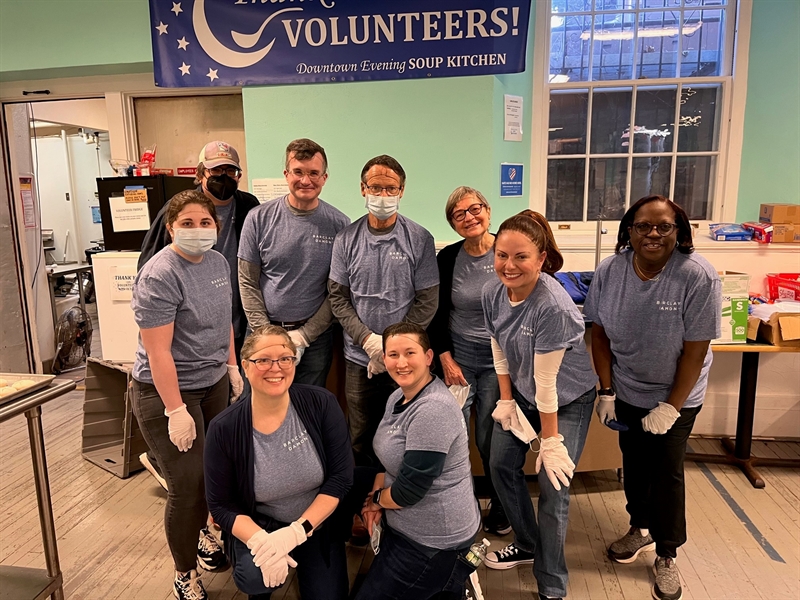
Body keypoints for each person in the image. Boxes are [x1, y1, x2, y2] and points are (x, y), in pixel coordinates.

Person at [583, 195, 721, 600]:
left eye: (664, 226)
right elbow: (600, 335)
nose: (654, 234)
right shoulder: (611, 270)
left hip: (678, 393)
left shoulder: (697, 276)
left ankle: (666, 553)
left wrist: (671, 407)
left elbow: (696, 350)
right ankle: (638, 527)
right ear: (629, 230)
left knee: (666, 470)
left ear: (679, 232)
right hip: (627, 387)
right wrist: (606, 390)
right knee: (634, 461)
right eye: (644, 226)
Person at [130, 190, 244, 600]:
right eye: (188, 224)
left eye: (205, 222)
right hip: (166, 391)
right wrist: (175, 408)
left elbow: (224, 322)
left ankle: (203, 533)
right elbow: (158, 351)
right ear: (170, 228)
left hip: (212, 383)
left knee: (213, 474)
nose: (198, 231)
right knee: (187, 484)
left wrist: (232, 366)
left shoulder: (217, 263)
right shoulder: (160, 273)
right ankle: (184, 573)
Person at [205, 325, 373, 600]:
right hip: (262, 524)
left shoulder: (321, 403)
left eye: (285, 358)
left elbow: (341, 477)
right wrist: (262, 541)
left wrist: (298, 531)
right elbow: (221, 505)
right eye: (264, 360)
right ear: (246, 366)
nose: (276, 368)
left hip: (314, 523)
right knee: (255, 579)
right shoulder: (224, 428)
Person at [482, 210, 598, 600]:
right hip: (525, 392)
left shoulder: (554, 306)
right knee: (499, 462)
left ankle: (551, 582)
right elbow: (498, 346)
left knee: (553, 484)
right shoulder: (492, 292)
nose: (509, 265)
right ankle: (529, 543)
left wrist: (550, 443)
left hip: (566, 397)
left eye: (521, 257)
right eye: (502, 255)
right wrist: (507, 398)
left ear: (542, 259)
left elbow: (548, 382)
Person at [137, 141, 257, 491]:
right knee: (189, 468)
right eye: (215, 171)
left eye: (230, 171)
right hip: (181, 346)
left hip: (224, 340)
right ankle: (165, 462)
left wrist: (232, 363)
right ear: (201, 174)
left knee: (218, 450)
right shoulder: (172, 218)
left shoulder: (248, 207)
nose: (223, 177)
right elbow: (149, 272)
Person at [328, 155, 439, 468]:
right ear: (363, 189)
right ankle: (363, 506)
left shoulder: (419, 239)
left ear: (402, 191)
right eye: (376, 187)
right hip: (358, 358)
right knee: (360, 434)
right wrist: (367, 341)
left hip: (405, 359)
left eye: (391, 188)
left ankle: (396, 501)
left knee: (404, 432)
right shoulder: (345, 239)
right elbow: (338, 298)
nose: (383, 195)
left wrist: (393, 348)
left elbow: (427, 300)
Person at [356, 323, 481, 599]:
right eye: (393, 354)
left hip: (432, 541)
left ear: (428, 357)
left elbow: (408, 492)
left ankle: (448, 578)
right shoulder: (399, 396)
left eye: (409, 353)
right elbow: (386, 460)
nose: (401, 363)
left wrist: (375, 501)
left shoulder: (432, 411)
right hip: (407, 526)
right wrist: (373, 502)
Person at [427, 186, 509, 536]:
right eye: (458, 214)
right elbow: (436, 312)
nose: (469, 217)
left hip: (499, 362)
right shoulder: (447, 258)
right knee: (454, 433)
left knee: (491, 438)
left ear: (488, 211)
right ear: (453, 224)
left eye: (474, 209)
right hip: (458, 359)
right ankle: (462, 506)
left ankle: (502, 506)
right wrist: (445, 356)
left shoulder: (507, 251)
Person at [238, 139, 350, 387]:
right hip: (262, 331)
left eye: (313, 173)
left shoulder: (339, 225)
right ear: (286, 174)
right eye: (298, 172)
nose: (305, 180)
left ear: (324, 178)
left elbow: (337, 291)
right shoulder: (258, 219)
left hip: (314, 339)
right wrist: (266, 334)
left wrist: (304, 336)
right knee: (255, 408)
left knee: (307, 407)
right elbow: (247, 280)